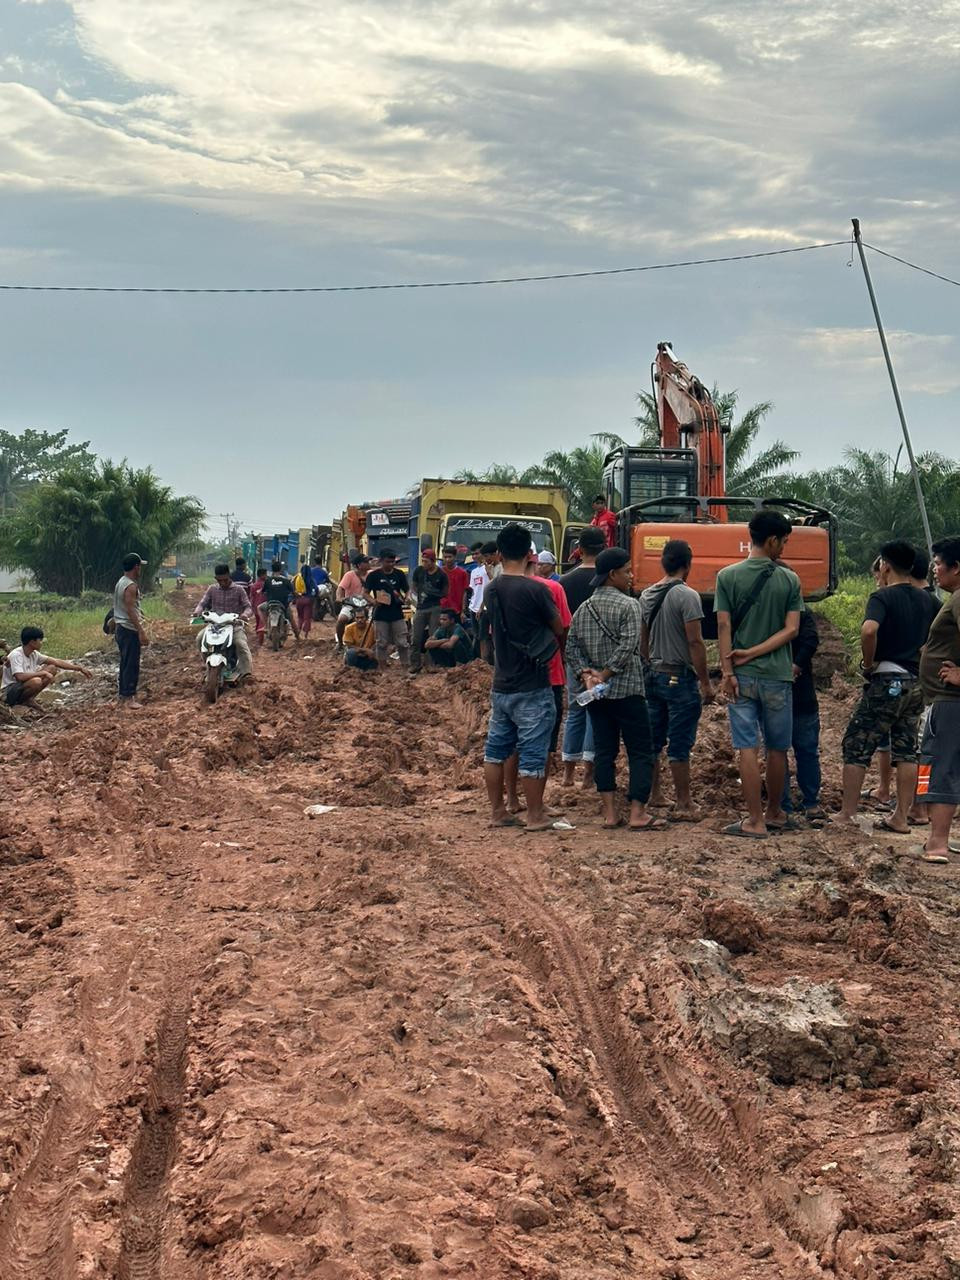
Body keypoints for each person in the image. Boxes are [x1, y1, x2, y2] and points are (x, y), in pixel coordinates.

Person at [833, 540, 940, 833]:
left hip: (887, 679)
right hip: (916, 684)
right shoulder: (929, 600)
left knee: (857, 743)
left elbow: (869, 629)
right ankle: (901, 818)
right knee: (906, 750)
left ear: (885, 565)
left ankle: (847, 814)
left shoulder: (882, 597)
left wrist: (868, 664)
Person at [716, 511, 802, 838]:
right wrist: (760, 652)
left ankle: (754, 820)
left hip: (740, 675)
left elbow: (724, 625)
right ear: (771, 540)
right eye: (784, 541)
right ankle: (776, 811)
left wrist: (730, 668)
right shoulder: (789, 580)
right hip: (778, 676)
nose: (784, 547)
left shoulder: (727, 576)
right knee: (778, 748)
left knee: (747, 747)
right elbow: (791, 629)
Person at [567, 547, 662, 831]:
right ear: (612, 575)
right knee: (640, 751)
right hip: (628, 690)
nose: (631, 576)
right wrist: (605, 674)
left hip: (596, 695)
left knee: (604, 751)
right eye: (627, 571)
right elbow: (629, 645)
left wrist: (587, 675)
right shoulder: (630, 605)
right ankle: (637, 813)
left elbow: (571, 646)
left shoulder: (584, 609)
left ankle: (610, 814)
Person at [482, 523, 564, 830]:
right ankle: (534, 815)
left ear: (500, 554)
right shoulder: (537, 589)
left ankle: (497, 812)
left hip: (502, 683)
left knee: (495, 750)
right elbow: (558, 628)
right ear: (530, 553)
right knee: (533, 751)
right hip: (533, 683)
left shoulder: (492, 589)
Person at [640, 539, 715, 820]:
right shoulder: (688, 596)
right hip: (678, 677)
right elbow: (695, 642)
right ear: (688, 564)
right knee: (680, 742)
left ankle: (655, 795)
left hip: (653, 674)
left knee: (653, 740)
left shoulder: (647, 595)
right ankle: (684, 803)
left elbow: (642, 642)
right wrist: (706, 682)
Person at [915, 537, 960, 862]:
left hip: (948, 701)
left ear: (956, 568)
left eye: (939, 563)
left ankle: (937, 842)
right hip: (945, 700)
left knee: (937, 765)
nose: (935, 569)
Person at [558, 527, 607, 787]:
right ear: (605, 546)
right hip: (602, 659)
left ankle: (567, 774)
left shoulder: (564, 582)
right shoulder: (608, 580)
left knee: (575, 711)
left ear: (579, 549)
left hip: (574, 656)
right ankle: (589, 775)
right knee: (595, 713)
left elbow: (561, 625)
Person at [782, 606, 825, 823]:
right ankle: (811, 803)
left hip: (778, 691)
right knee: (807, 750)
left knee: (777, 750)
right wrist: (797, 666)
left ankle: (783, 805)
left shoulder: (764, 609)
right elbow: (810, 641)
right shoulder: (801, 612)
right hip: (802, 692)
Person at [2, 626, 92, 710]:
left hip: (22, 686)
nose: (41, 643)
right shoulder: (16, 655)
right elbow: (20, 677)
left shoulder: (34, 654)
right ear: (32, 642)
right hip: (9, 692)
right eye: (40, 640)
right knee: (36, 681)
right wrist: (42, 673)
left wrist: (79, 668)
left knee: (52, 668)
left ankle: (29, 699)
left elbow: (56, 661)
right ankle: (21, 702)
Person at [194, 564, 255, 679]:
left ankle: (246, 672)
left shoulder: (239, 590)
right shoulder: (212, 589)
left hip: (233, 625)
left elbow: (248, 607)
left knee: (241, 644)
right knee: (200, 639)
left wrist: (244, 615)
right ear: (215, 579)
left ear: (229, 576)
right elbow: (202, 603)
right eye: (219, 580)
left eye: (225, 580)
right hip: (215, 626)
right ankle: (208, 663)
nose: (222, 583)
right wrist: (198, 611)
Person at [365, 548, 410, 669]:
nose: (390, 564)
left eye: (392, 562)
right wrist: (373, 601)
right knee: (381, 643)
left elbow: (407, 590)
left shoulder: (399, 574)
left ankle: (405, 666)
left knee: (402, 642)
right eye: (388, 562)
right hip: (380, 614)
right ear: (381, 561)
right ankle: (383, 667)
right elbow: (365, 593)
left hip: (397, 613)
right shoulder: (373, 576)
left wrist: (407, 598)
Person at [113, 552, 150, 704]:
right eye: (140, 566)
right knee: (131, 664)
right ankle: (129, 697)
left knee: (125, 662)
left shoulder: (121, 582)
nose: (140, 570)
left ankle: (123, 695)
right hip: (129, 629)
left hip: (121, 627)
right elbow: (130, 610)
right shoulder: (130, 585)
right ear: (136, 567)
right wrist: (141, 631)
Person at [410, 549, 449, 674]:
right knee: (415, 637)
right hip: (421, 607)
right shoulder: (419, 571)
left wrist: (431, 593)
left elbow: (445, 592)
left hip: (435, 607)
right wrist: (418, 595)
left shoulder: (441, 575)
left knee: (433, 636)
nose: (423, 563)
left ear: (433, 562)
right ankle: (415, 664)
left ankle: (430, 663)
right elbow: (414, 585)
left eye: (426, 561)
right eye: (422, 561)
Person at [335, 556, 371, 651]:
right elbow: (340, 588)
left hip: (367, 604)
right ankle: (340, 642)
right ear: (359, 565)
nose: (369, 563)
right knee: (341, 619)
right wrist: (339, 598)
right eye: (366, 562)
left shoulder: (371, 575)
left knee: (375, 622)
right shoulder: (349, 575)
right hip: (351, 604)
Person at [258, 560, 300, 640]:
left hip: (270, 604)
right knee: (291, 619)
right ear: (280, 570)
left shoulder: (268, 580)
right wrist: (297, 596)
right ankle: (297, 636)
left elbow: (262, 592)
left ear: (272, 569)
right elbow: (293, 592)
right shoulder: (286, 580)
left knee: (259, 608)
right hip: (283, 604)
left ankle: (266, 626)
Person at [343, 601, 378, 671]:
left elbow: (376, 642)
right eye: (357, 618)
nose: (360, 620)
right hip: (356, 654)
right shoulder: (349, 628)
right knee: (350, 653)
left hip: (369, 655)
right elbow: (349, 646)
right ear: (354, 618)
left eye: (362, 617)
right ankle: (351, 669)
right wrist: (365, 650)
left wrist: (371, 651)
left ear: (367, 618)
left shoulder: (373, 627)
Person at [440, 546, 470, 620]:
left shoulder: (463, 573)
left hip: (457, 611)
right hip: (441, 610)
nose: (447, 559)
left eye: (450, 557)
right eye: (445, 557)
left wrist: (463, 611)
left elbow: (465, 593)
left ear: (455, 557)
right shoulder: (439, 572)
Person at [293, 560, 316, 639]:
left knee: (300, 617)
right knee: (307, 618)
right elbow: (316, 589)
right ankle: (305, 636)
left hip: (299, 600)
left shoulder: (298, 578)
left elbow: (293, 587)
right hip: (308, 600)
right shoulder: (311, 580)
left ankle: (298, 633)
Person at [248, 566, 268, 647]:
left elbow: (251, 596)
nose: (266, 576)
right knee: (262, 623)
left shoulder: (254, 585)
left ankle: (258, 637)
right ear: (262, 575)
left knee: (258, 622)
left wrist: (252, 606)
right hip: (263, 607)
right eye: (265, 574)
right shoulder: (266, 585)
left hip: (255, 606)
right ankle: (260, 641)